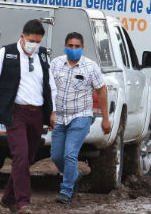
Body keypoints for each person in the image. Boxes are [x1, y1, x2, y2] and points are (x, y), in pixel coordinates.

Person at [0, 19, 57, 214]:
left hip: (37, 114)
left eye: (38, 41)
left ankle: (7, 199)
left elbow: (50, 85)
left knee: (26, 159)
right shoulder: (6, 53)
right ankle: (23, 203)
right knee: (20, 156)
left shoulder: (42, 56)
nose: (35, 45)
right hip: (16, 112)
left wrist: (53, 111)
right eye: (32, 40)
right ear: (22, 37)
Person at [50, 32, 111, 204]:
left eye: (77, 46)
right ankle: (74, 175)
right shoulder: (55, 64)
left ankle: (66, 190)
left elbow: (102, 91)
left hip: (81, 116)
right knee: (56, 156)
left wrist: (105, 119)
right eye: (70, 46)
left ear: (82, 48)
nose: (73, 49)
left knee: (70, 154)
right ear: (65, 46)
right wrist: (50, 112)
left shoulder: (91, 67)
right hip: (60, 117)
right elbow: (48, 90)